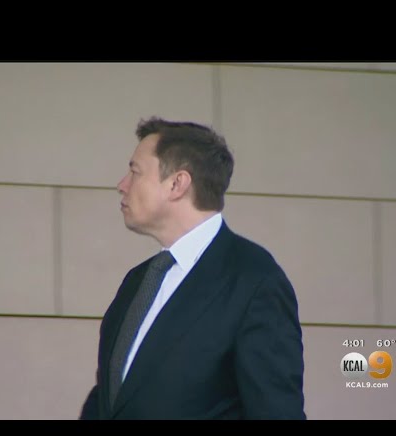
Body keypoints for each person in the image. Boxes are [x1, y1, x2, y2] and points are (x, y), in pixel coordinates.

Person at [79, 117, 305, 419]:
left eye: (135, 172)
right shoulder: (139, 281)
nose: (122, 185)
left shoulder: (254, 280)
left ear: (177, 184)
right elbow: (110, 396)